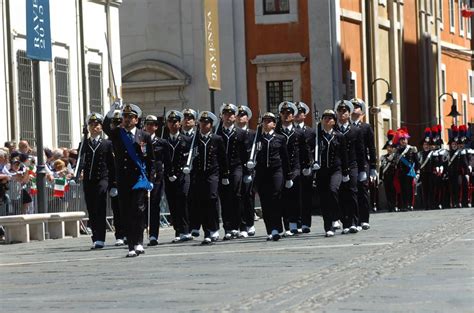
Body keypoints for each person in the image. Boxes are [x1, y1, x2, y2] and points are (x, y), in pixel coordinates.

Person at [104, 103, 155, 258]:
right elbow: (106, 126)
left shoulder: (143, 135)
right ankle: (131, 245)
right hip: (123, 179)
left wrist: (151, 179)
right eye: (125, 117)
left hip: (139, 178)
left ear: (136, 119)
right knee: (126, 212)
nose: (127, 120)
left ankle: (139, 242)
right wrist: (112, 111)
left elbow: (150, 160)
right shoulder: (117, 134)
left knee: (138, 210)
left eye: (130, 117)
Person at [188, 111, 229, 244]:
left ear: (211, 125)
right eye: (201, 122)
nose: (203, 125)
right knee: (202, 202)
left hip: (213, 174)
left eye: (206, 123)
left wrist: (225, 174)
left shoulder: (217, 139)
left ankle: (214, 228)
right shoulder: (194, 139)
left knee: (212, 199)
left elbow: (223, 158)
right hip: (199, 175)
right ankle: (207, 231)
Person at [77, 113, 115, 249]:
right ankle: (95, 237)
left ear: (101, 127)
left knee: (100, 206)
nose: (94, 127)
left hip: (102, 179)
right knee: (91, 208)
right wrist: (76, 176)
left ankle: (101, 238)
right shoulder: (84, 144)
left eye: (97, 125)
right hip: (88, 180)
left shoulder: (107, 144)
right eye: (92, 125)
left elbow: (112, 165)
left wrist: (114, 183)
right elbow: (80, 162)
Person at [253, 112, 290, 241]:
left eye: (269, 121)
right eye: (265, 121)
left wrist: (288, 176)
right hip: (262, 173)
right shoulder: (257, 138)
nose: (266, 123)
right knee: (265, 202)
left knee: (275, 198)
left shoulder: (280, 138)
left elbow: (285, 158)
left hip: (276, 171)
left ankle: (277, 228)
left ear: (274, 124)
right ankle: (270, 229)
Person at [275, 101, 311, 236]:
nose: (286, 116)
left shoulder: (299, 133)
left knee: (295, 196)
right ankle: (287, 225)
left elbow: (304, 150)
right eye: (283, 113)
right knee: (283, 197)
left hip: (295, 167)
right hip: (280, 168)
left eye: (289, 113)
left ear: (293, 115)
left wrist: (307, 165)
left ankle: (294, 223)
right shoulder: (276, 132)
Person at [216, 103, 249, 240]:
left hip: (237, 167)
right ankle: (228, 228)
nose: (228, 116)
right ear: (222, 116)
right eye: (226, 114)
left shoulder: (241, 133)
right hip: (222, 169)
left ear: (235, 117)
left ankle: (241, 226)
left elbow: (244, 155)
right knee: (224, 198)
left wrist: (247, 172)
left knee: (237, 195)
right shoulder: (217, 133)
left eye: (231, 114)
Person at [314, 109, 348, 237]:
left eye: (330, 118)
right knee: (324, 199)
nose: (327, 120)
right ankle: (328, 226)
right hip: (322, 170)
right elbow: (310, 151)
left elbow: (344, 155)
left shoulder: (339, 136)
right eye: (325, 118)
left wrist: (346, 172)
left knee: (333, 190)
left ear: (334, 121)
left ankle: (338, 217)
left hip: (336, 169)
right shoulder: (317, 136)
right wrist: (313, 162)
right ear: (322, 121)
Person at [334, 100, 365, 234]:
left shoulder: (355, 130)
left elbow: (360, 150)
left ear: (349, 113)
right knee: (340, 193)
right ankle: (345, 221)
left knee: (352, 191)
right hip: (339, 166)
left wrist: (363, 169)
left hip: (352, 164)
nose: (342, 114)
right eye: (340, 111)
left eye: (345, 111)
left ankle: (354, 221)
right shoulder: (333, 130)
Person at [163, 110, 193, 242]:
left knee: (183, 201)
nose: (173, 124)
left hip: (182, 175)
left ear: (179, 123)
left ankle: (186, 230)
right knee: (173, 203)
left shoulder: (187, 140)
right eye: (170, 121)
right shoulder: (164, 141)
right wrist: (168, 173)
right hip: (169, 176)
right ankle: (178, 230)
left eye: (175, 121)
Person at [350, 98, 377, 230]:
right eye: (352, 106)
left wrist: (373, 166)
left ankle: (364, 219)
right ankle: (353, 219)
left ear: (362, 111)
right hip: (350, 162)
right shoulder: (345, 126)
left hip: (363, 163)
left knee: (363, 190)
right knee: (351, 191)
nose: (354, 108)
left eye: (357, 106)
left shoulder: (365, 127)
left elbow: (371, 148)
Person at [143, 114, 167, 246]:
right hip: (144, 176)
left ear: (156, 127)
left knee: (154, 205)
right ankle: (144, 229)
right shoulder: (140, 141)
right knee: (143, 206)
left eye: (152, 124)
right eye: (147, 124)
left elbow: (166, 161)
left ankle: (153, 235)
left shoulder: (161, 143)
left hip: (157, 177)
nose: (149, 126)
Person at [293, 101, 315, 233]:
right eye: (295, 112)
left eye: (300, 112)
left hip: (306, 166)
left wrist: (311, 164)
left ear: (304, 115)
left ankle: (306, 223)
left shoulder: (311, 132)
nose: (297, 115)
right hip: (293, 166)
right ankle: (296, 222)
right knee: (293, 196)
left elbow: (313, 149)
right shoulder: (289, 130)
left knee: (306, 196)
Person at [236, 105, 257, 237]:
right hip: (238, 168)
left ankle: (250, 224)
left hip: (250, 169)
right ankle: (242, 225)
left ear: (247, 118)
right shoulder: (234, 133)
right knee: (238, 197)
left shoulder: (253, 134)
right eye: (238, 115)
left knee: (249, 197)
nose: (240, 117)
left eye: (243, 115)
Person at [393, 127, 419, 211]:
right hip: (401, 172)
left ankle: (410, 204)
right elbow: (395, 162)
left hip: (410, 172)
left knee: (410, 189)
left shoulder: (412, 149)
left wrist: (418, 171)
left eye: (404, 139)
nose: (403, 141)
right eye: (401, 140)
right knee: (403, 189)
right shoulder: (398, 151)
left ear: (407, 140)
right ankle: (404, 204)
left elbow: (417, 161)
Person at [418, 128, 435, 210]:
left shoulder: (432, 153)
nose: (426, 146)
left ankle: (431, 204)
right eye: (425, 144)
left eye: (427, 144)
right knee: (424, 189)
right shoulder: (420, 154)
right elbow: (418, 164)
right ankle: (425, 205)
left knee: (431, 189)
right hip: (423, 173)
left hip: (431, 173)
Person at [380, 130, 398, 212]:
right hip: (386, 177)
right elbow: (381, 168)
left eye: (391, 147)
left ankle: (395, 205)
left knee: (394, 191)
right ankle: (389, 206)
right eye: (388, 147)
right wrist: (380, 178)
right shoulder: (383, 157)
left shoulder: (395, 157)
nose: (389, 149)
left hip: (394, 176)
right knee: (387, 192)